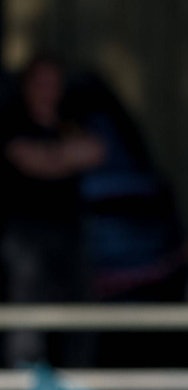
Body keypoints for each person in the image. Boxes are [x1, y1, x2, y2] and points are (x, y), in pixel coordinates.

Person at [0, 54, 105, 368]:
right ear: (27, 86)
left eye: (53, 84)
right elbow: (32, 160)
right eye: (41, 83)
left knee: (80, 312)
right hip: (25, 235)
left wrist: (53, 157)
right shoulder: (12, 123)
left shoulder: (71, 123)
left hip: (70, 232)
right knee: (26, 312)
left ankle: (76, 381)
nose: (47, 91)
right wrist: (64, 157)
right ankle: (24, 379)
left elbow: (96, 151)